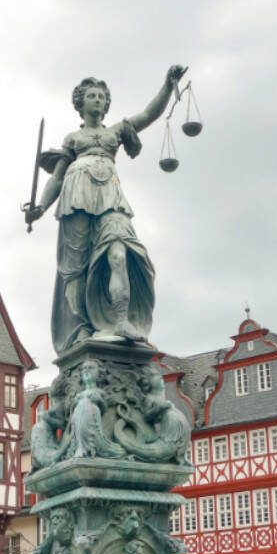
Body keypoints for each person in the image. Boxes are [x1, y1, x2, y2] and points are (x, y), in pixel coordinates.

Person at [24, 66, 186, 353]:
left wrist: (167, 85)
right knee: (76, 268)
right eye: (92, 96)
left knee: (120, 251)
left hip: (110, 196)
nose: (98, 100)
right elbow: (57, 178)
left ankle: (122, 319)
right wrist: (39, 207)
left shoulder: (117, 131)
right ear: (81, 103)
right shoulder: (72, 139)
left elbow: (149, 115)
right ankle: (80, 328)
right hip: (76, 197)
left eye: (101, 96)